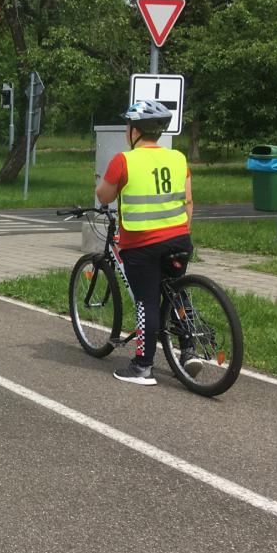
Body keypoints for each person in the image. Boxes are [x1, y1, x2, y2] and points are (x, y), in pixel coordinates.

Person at [95, 100, 195, 385]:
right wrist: (180, 232)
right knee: (175, 291)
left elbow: (103, 196)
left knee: (146, 302)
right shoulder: (178, 158)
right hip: (179, 239)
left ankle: (142, 366)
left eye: (128, 126)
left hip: (141, 245)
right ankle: (189, 349)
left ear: (135, 131)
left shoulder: (124, 160)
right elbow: (188, 202)